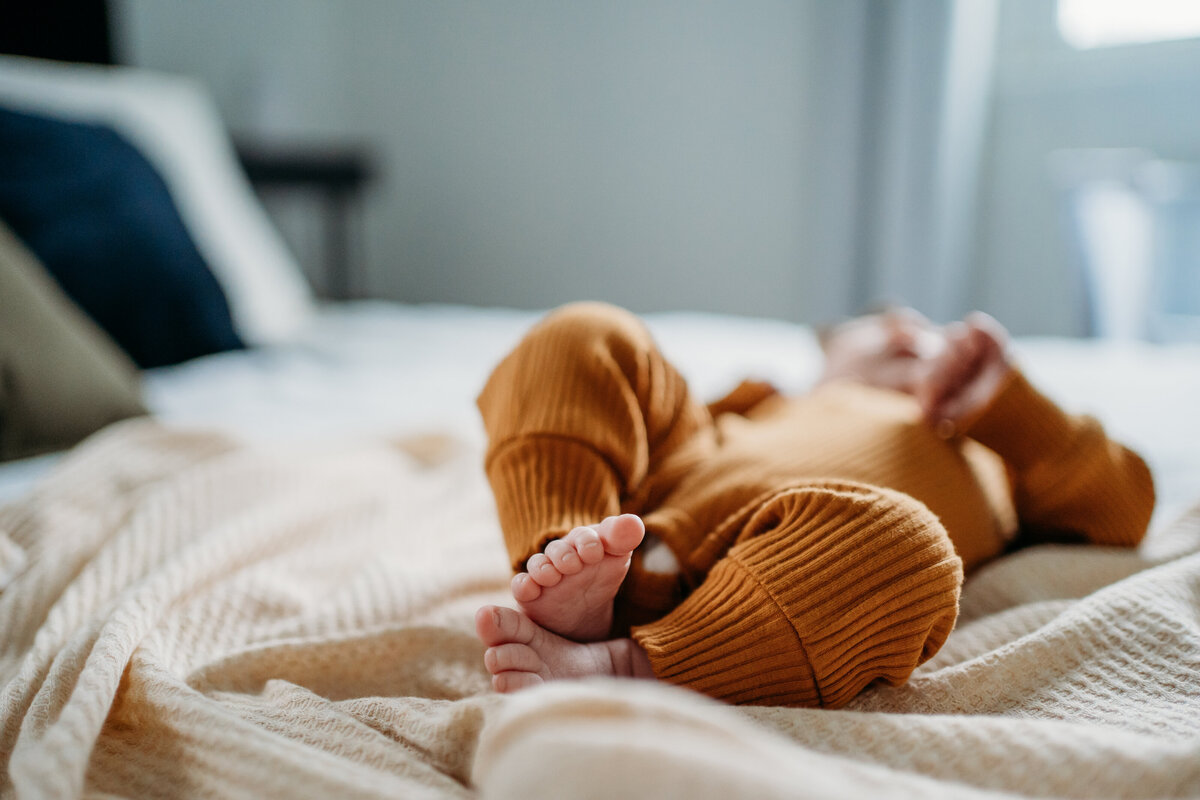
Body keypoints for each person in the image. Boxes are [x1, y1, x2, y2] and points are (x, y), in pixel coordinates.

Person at [473, 302, 1155, 708]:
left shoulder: (993, 457)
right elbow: (635, 431)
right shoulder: (770, 404)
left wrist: (1010, 409)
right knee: (587, 333)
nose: (905, 330)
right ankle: (560, 559)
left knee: (912, 544)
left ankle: (626, 662)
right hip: (634, 528)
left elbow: (1120, 510)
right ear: (824, 363)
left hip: (782, 584)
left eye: (925, 331)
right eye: (880, 326)